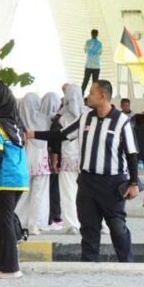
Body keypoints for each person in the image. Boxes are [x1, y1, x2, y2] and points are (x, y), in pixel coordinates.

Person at [28, 79, 140, 263]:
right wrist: (34, 134)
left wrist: (134, 183)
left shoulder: (121, 121)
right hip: (88, 182)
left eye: (92, 93)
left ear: (102, 96)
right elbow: (62, 135)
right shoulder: (85, 118)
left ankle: (127, 264)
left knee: (117, 227)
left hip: (112, 184)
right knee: (88, 228)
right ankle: (88, 265)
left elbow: (132, 154)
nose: (88, 97)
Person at [0, 80, 29, 278]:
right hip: (20, 178)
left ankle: (11, 268)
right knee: (4, 222)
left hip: (6, 179)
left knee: (4, 223)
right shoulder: (15, 123)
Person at [13, 93, 51, 234]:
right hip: (41, 162)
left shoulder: (17, 121)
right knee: (39, 195)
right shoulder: (45, 120)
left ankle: (19, 221)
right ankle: (35, 224)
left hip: (23, 162)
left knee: (22, 194)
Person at [50, 84, 83, 234]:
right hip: (86, 160)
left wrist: (55, 160)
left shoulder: (60, 117)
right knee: (89, 193)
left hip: (68, 160)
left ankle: (72, 225)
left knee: (68, 193)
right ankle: (99, 223)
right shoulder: (88, 114)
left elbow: (56, 141)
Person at [40, 92, 63, 230]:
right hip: (54, 158)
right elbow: (56, 143)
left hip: (43, 158)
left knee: (48, 188)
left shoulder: (37, 119)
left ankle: (50, 214)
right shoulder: (57, 120)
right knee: (54, 188)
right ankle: (54, 214)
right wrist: (55, 161)